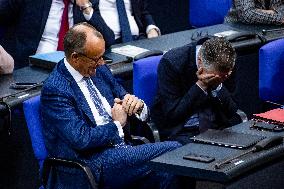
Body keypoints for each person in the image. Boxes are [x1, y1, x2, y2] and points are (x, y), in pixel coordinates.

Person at [41, 22, 183, 189]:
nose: (101, 63)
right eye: (96, 59)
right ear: (75, 58)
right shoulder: (56, 90)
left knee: (169, 170)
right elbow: (82, 139)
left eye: (102, 56)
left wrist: (137, 106)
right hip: (92, 163)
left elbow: (123, 96)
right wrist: (117, 124)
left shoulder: (99, 68)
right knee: (175, 151)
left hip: (121, 151)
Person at [152, 37, 242, 145]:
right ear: (200, 62)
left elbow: (232, 110)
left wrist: (218, 86)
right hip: (182, 131)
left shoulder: (228, 61)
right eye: (214, 76)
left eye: (223, 77)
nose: (220, 78)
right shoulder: (172, 63)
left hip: (220, 128)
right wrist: (200, 86)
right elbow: (172, 115)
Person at [0, 0, 114, 69]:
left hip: (68, 70)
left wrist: (85, 6)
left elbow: (108, 39)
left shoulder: (86, 3)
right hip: (29, 68)